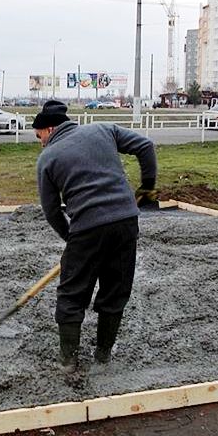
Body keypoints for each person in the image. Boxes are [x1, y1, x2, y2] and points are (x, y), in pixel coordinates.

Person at [32, 100, 157, 373]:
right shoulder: (102, 129)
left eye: (39, 135)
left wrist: (72, 239)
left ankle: (68, 362)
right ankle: (103, 358)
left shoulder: (48, 158)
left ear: (49, 128)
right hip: (126, 221)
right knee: (115, 289)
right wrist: (148, 187)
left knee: (71, 295)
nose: (40, 142)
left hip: (87, 227)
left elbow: (52, 212)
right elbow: (145, 147)